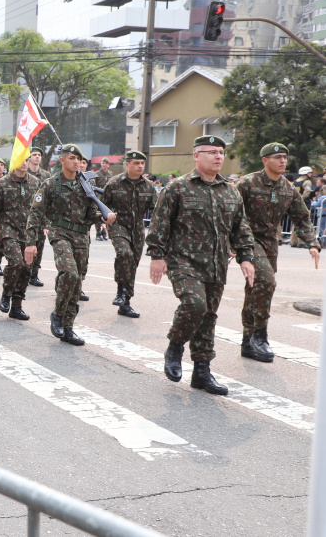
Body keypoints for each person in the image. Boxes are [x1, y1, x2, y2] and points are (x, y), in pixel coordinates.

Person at [147, 135, 256, 396]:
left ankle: (202, 371)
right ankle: (175, 346)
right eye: (212, 152)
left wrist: (246, 257)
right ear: (197, 156)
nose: (219, 156)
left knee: (208, 317)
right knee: (195, 304)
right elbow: (160, 223)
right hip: (183, 260)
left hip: (217, 264)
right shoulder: (178, 188)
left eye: (221, 152)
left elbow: (240, 227)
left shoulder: (230, 191)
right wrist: (157, 255)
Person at [236, 142, 320, 362]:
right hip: (248, 239)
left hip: (270, 242)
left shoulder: (287, 188)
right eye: (277, 157)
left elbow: (301, 217)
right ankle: (261, 335)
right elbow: (231, 213)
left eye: (285, 157)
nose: (283, 161)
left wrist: (312, 242)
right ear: (265, 161)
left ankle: (247, 339)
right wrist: (233, 243)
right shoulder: (247, 183)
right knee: (266, 282)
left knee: (255, 287)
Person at [25, 144, 117, 345]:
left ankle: (68, 327)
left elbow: (90, 214)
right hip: (60, 233)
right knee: (70, 273)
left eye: (79, 159)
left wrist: (103, 218)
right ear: (62, 160)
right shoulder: (51, 184)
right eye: (72, 158)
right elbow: (35, 214)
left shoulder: (86, 186)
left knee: (77, 283)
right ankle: (58, 314)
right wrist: (31, 242)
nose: (76, 162)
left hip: (82, 237)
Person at [100, 151, 155, 318]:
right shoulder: (114, 183)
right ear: (128, 164)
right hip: (118, 225)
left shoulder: (148, 186)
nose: (140, 166)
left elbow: (155, 212)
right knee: (124, 254)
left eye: (142, 163)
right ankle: (120, 291)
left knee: (132, 264)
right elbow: (102, 206)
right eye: (136, 163)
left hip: (138, 229)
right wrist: (104, 221)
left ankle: (126, 303)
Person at [0, 157, 40, 320]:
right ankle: (6, 293)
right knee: (16, 263)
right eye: (21, 160)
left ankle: (17, 306)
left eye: (26, 160)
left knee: (26, 269)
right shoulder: (2, 183)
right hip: (9, 230)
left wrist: (45, 226)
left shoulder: (35, 182)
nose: (24, 163)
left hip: (29, 232)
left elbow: (41, 208)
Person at [26, 146, 51, 287]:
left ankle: (34, 274)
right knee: (26, 245)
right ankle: (24, 272)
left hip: (41, 218)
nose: (37, 157)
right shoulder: (23, 173)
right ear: (29, 157)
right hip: (25, 217)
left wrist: (47, 223)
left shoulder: (46, 176)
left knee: (39, 246)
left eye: (39, 155)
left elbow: (50, 201)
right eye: (34, 154)